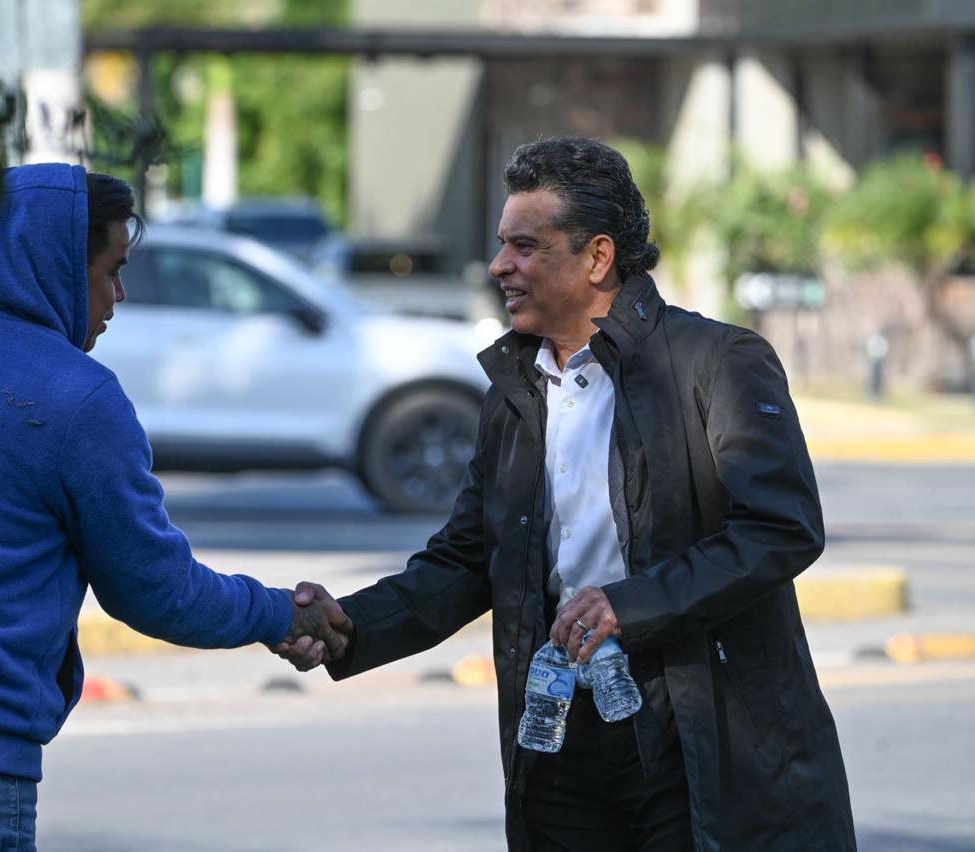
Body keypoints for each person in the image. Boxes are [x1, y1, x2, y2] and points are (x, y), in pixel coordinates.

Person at [278, 137, 856, 851]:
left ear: (597, 257)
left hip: (694, 737)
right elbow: (468, 559)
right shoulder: (514, 391)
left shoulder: (717, 363)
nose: (500, 265)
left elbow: (780, 528)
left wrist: (629, 605)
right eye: (502, 244)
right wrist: (356, 625)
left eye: (525, 246)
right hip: (558, 746)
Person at [0, 163, 348, 850]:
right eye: (111, 271)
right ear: (54, 267)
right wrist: (279, 613)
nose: (118, 295)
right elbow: (156, 591)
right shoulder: (79, 398)